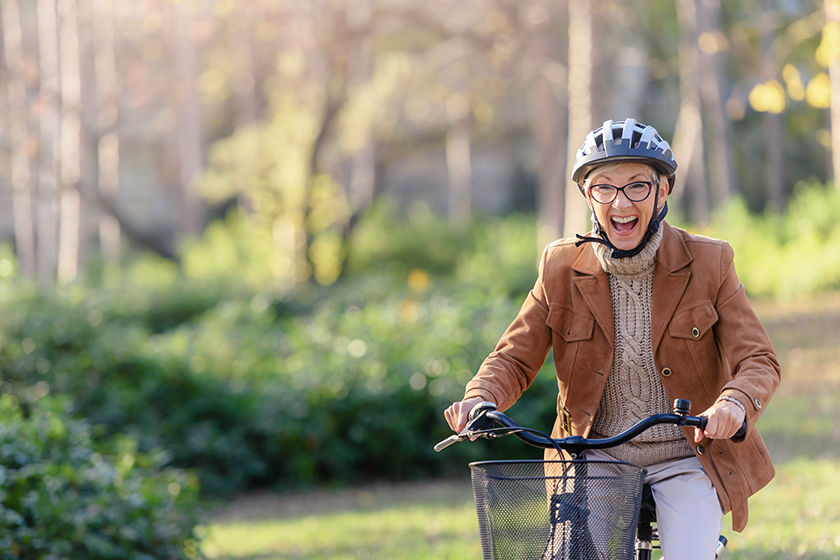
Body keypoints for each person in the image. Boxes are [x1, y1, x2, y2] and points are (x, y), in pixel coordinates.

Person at [444, 119, 781, 560]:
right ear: (588, 196)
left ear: (663, 192)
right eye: (604, 187)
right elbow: (514, 356)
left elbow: (758, 360)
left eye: (637, 186)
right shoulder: (560, 266)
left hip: (685, 455)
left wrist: (733, 403)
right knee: (572, 555)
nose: (620, 202)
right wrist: (480, 396)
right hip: (596, 457)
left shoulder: (709, 262)